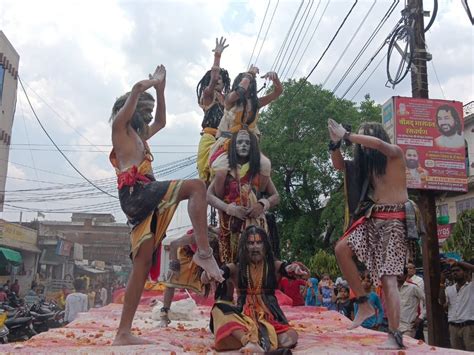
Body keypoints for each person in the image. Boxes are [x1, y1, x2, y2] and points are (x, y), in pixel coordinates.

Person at [109, 65, 223, 345]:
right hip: (138, 192)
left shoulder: (139, 136)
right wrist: (151, 83)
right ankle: (204, 252)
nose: (148, 116)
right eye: (143, 111)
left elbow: (161, 121)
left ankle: (123, 333)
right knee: (196, 186)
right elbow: (136, 90)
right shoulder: (119, 129)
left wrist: (161, 90)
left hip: (142, 196)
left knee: (142, 263)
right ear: (130, 109)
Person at [329, 119, 422, 349]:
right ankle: (363, 303)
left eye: (367, 135)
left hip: (395, 222)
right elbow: (340, 165)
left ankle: (395, 334)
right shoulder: (366, 168)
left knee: (388, 279)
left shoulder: (394, 154)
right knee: (341, 249)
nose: (364, 141)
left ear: (378, 135)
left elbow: (379, 145)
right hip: (373, 219)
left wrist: (349, 136)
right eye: (361, 137)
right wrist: (335, 144)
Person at [203, 225, 307, 352]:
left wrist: (294, 268)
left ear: (265, 246)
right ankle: (249, 342)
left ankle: (260, 345)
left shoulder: (273, 266)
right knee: (219, 309)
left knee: (290, 337)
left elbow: (289, 269)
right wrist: (209, 273)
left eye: (259, 242)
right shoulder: (235, 267)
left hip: (271, 316)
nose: (255, 247)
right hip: (243, 316)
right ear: (244, 247)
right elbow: (213, 275)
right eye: (251, 243)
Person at [207, 129, 280, 264]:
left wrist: (262, 204)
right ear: (233, 146)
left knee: (257, 264)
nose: (244, 145)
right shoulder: (224, 169)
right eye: (240, 142)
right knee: (229, 266)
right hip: (229, 224)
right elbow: (209, 196)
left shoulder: (258, 168)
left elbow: (276, 196)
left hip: (256, 223)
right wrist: (229, 208)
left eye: (247, 142)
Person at [208, 65, 283, 187]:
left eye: (251, 81)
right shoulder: (229, 99)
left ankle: (259, 195)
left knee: (266, 166)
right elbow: (240, 91)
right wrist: (250, 74)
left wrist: (275, 79)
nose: (248, 83)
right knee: (220, 170)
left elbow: (278, 91)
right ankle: (221, 199)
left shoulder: (256, 103)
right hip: (229, 142)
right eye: (246, 80)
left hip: (250, 143)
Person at [159, 227, 220, 327]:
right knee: (171, 281)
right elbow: (173, 244)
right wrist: (174, 266)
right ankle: (164, 317)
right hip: (187, 254)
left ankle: (218, 317)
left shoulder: (218, 240)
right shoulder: (193, 237)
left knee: (215, 281)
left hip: (207, 258)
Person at [196, 37, 231, 182]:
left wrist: (251, 75)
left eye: (220, 80)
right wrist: (217, 56)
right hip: (210, 139)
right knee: (207, 178)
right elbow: (214, 75)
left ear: (224, 84)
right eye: (215, 80)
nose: (217, 81)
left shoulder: (228, 100)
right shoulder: (208, 95)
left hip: (225, 139)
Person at [439, 262, 473, 351]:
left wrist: (457, 262)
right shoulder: (449, 289)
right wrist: (441, 283)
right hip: (453, 327)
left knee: (470, 352)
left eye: (458, 270)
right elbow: (442, 302)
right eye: (453, 271)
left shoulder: (471, 286)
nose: (455, 273)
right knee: (456, 352)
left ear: (465, 272)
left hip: (468, 326)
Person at [397, 269, 425, 338]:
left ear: (406, 275)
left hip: (408, 327)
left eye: (401, 273)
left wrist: (421, 317)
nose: (398, 275)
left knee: (407, 347)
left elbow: (427, 301)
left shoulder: (413, 287)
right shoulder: (392, 289)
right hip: (395, 327)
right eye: (396, 273)